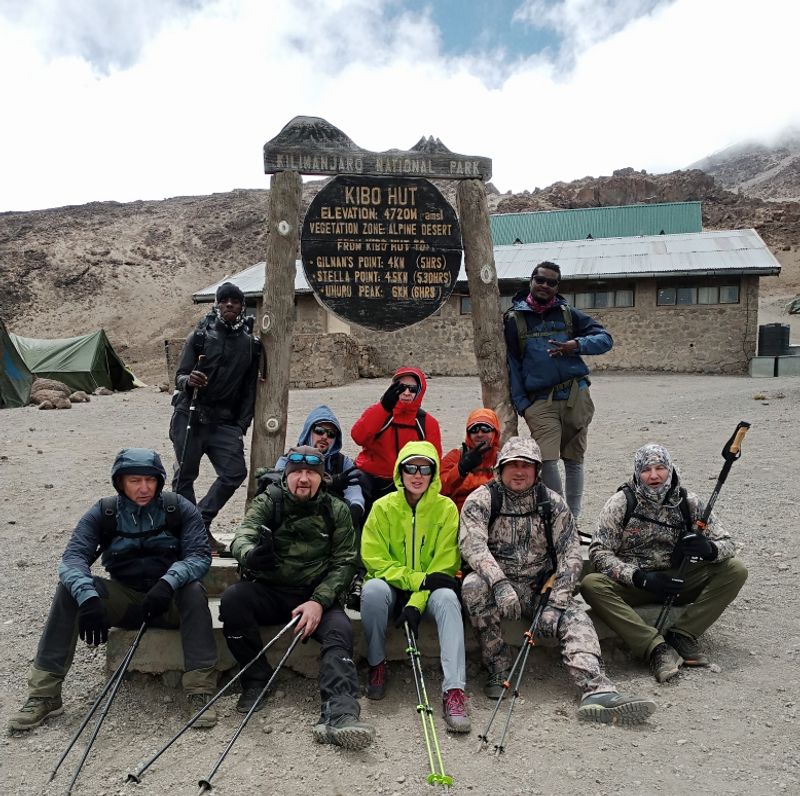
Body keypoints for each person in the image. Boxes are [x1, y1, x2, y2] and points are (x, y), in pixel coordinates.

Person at [8, 448, 218, 732]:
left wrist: (168, 582)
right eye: (134, 481)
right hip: (127, 599)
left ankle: (200, 691)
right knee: (68, 589)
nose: (144, 488)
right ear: (120, 482)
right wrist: (89, 597)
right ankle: (44, 695)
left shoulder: (178, 508)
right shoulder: (103, 512)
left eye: (150, 480)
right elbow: (72, 560)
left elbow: (199, 556)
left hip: (170, 601)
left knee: (193, 590)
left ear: (159, 481)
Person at [459, 436, 655, 725]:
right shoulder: (481, 500)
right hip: (497, 585)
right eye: (512, 464)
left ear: (538, 470)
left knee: (575, 616)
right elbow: (473, 546)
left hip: (542, 586)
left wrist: (556, 603)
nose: (519, 471)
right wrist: (500, 584)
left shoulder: (553, 504)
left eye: (527, 465)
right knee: (473, 586)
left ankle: (596, 689)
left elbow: (571, 555)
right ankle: (498, 669)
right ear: (500, 468)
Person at [219, 445, 374, 750]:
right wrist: (252, 555)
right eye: (297, 473)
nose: (304, 479)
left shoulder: (336, 510)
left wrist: (319, 600)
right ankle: (256, 678)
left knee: (340, 631)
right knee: (233, 601)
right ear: (287, 476)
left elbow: (344, 562)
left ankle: (340, 709)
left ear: (322, 478)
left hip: (314, 594)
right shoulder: (269, 501)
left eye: (311, 473)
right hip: (270, 590)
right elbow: (242, 536)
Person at [581, 443, 748, 682]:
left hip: (679, 579)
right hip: (636, 583)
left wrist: (709, 549)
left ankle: (683, 634)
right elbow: (599, 553)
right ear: (637, 473)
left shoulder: (688, 502)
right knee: (591, 585)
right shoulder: (621, 503)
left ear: (670, 469)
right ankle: (655, 648)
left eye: (660, 468)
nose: (654, 475)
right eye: (646, 469)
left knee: (735, 570)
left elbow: (729, 543)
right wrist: (640, 578)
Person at [360, 441, 469, 733]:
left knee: (447, 598)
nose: (417, 475)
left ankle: (454, 690)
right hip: (394, 587)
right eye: (410, 467)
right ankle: (376, 664)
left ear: (434, 472)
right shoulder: (382, 508)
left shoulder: (446, 509)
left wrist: (416, 602)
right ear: (400, 471)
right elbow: (374, 560)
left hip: (429, 591)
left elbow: (443, 567)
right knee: (372, 590)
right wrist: (415, 581)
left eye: (425, 468)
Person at [504, 261, 612, 523]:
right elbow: (512, 363)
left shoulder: (568, 314)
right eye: (540, 280)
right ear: (531, 281)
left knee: (574, 461)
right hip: (540, 401)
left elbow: (606, 339)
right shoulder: (514, 319)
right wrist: (523, 405)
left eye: (552, 282)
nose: (545, 285)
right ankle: (560, 518)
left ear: (557, 287)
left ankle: (572, 521)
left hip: (576, 396)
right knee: (547, 461)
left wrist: (576, 344)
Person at [170, 281, 260, 553]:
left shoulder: (250, 345)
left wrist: (241, 425)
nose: (229, 304)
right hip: (191, 414)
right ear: (217, 305)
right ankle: (195, 536)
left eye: (234, 300)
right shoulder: (198, 336)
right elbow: (179, 376)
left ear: (242, 306)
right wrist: (189, 381)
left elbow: (250, 388)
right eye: (224, 300)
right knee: (184, 476)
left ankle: (198, 522)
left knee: (235, 472)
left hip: (225, 422)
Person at [274, 406, 367, 608]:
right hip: (297, 516)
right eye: (319, 431)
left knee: (354, 518)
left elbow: (354, 490)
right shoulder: (290, 458)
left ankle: (355, 578)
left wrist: (356, 507)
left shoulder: (343, 462)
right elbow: (279, 485)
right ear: (309, 431)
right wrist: (330, 482)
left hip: (331, 520)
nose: (325, 436)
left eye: (331, 433)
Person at [351, 367, 442, 513]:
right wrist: (383, 408)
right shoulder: (380, 413)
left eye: (412, 389)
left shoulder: (427, 423)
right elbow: (358, 436)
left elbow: (435, 461)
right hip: (371, 479)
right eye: (401, 388)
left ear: (420, 391)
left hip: (408, 481)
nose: (406, 393)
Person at [440, 408, 500, 511]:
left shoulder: (502, 459)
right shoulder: (455, 456)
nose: (480, 434)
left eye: (485, 429)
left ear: (495, 433)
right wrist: (461, 469)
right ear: (468, 434)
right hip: (459, 514)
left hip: (493, 514)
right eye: (474, 430)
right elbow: (438, 490)